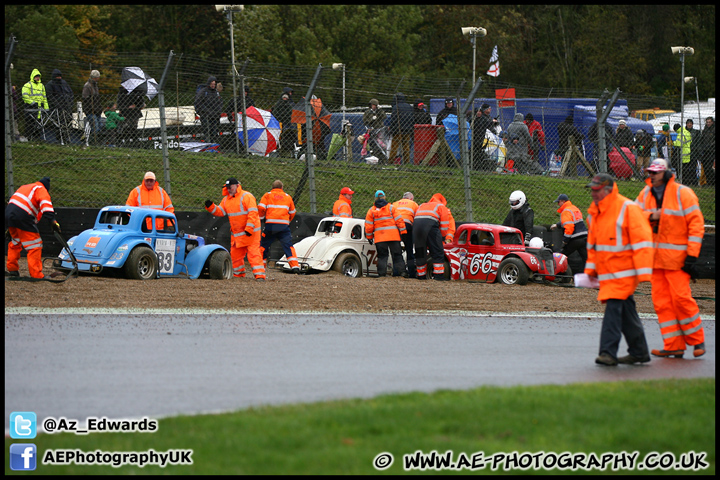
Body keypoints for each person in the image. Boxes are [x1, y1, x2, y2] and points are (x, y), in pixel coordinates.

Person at [634, 159, 706, 359]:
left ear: (666, 173)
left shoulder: (683, 193)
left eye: (656, 172)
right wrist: (651, 216)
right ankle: (673, 345)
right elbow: (633, 216)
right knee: (662, 303)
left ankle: (697, 341)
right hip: (656, 263)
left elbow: (696, 225)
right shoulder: (645, 194)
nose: (652, 176)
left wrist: (692, 256)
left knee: (682, 300)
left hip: (678, 261)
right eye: (650, 172)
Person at [584, 173, 653, 366]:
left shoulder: (627, 208)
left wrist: (644, 272)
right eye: (592, 190)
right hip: (610, 272)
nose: (593, 193)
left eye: (596, 190)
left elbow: (643, 240)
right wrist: (591, 271)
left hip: (625, 272)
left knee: (614, 309)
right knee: (626, 310)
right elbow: (593, 245)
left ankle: (607, 352)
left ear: (608, 190)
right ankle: (639, 352)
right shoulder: (595, 213)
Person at [205, 178, 266, 280]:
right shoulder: (226, 200)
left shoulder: (247, 196)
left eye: (230, 187)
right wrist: (211, 207)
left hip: (251, 233)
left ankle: (260, 275)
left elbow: (253, 213)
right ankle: (238, 274)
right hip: (238, 234)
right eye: (227, 188)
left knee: (254, 254)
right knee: (235, 255)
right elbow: (220, 211)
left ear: (237, 186)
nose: (229, 189)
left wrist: (249, 228)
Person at [5, 177, 60, 279]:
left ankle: (12, 270)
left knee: (15, 242)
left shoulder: (25, 187)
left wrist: (10, 225)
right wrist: (52, 221)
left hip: (9, 213)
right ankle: (36, 275)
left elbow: (15, 204)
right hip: (22, 214)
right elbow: (46, 204)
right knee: (35, 245)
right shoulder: (40, 188)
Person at [258, 180, 300, 273]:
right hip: (283, 226)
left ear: (272, 188)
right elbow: (293, 212)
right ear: (282, 188)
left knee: (264, 245)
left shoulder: (267, 195)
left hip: (270, 225)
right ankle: (295, 266)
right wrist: (287, 221)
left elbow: (261, 208)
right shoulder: (287, 197)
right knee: (288, 246)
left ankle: (261, 266)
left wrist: (261, 218)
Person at [365, 190, 407, 278]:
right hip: (393, 236)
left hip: (380, 238)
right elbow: (399, 220)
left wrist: (369, 237)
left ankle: (381, 274)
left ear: (375, 198)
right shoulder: (391, 208)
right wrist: (403, 232)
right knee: (397, 255)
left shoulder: (371, 210)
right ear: (384, 197)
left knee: (382, 256)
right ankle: (402, 273)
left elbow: (368, 226)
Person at [413, 193, 455, 281]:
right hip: (430, 226)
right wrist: (442, 238)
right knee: (438, 252)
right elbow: (444, 226)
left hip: (416, 227)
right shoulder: (441, 206)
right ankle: (438, 276)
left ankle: (421, 276)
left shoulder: (422, 205)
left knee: (420, 252)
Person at [550, 193, 588, 271]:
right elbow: (571, 221)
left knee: (561, 255)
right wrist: (557, 225)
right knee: (586, 259)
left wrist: (565, 241)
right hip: (584, 237)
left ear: (563, 201)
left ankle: (555, 273)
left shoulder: (565, 211)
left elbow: (569, 227)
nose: (558, 204)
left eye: (558, 202)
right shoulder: (574, 208)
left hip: (575, 238)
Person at [392, 191, 418, 278]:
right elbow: (417, 218)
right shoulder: (413, 204)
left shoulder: (395, 204)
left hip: (395, 227)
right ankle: (411, 273)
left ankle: (396, 272)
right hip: (407, 226)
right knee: (409, 249)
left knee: (396, 250)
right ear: (411, 198)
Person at [45, 68, 74, 141]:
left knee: (68, 122)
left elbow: (70, 93)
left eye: (60, 76)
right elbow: (50, 97)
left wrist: (70, 103)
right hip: (56, 108)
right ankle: (60, 138)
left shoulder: (64, 83)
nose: (59, 78)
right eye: (57, 76)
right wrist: (57, 105)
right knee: (59, 123)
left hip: (67, 107)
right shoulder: (50, 85)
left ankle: (66, 137)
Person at [194, 76, 223, 145]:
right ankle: (208, 145)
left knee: (214, 132)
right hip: (206, 116)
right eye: (212, 84)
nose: (213, 85)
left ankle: (213, 145)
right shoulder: (203, 92)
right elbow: (198, 103)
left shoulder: (216, 93)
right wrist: (206, 111)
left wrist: (218, 111)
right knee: (207, 132)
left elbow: (220, 103)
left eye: (214, 84)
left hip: (215, 116)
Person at [21, 68, 49, 141]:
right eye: (36, 76)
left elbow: (44, 97)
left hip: (39, 109)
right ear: (33, 76)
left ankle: (36, 139)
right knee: (29, 124)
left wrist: (46, 107)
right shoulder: (28, 85)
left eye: (38, 76)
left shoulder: (41, 86)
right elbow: (24, 96)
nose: (37, 78)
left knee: (38, 125)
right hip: (30, 108)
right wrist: (32, 102)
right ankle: (29, 138)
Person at [471, 103, 499, 171]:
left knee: (482, 154)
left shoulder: (486, 118)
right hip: (478, 139)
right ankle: (477, 167)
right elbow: (485, 127)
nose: (479, 113)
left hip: (484, 139)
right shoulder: (475, 120)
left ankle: (483, 167)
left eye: (480, 111)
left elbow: (489, 127)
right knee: (477, 154)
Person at [388, 92, 413, 164]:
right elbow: (412, 118)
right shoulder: (409, 107)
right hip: (407, 129)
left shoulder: (396, 107)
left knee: (394, 147)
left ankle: (390, 162)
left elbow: (394, 119)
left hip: (398, 130)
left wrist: (392, 129)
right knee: (406, 146)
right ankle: (406, 162)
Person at [272, 87, 295, 157]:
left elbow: (289, 113)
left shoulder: (290, 104)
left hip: (287, 122)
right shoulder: (279, 104)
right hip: (279, 122)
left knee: (288, 133)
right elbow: (276, 113)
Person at [82, 70, 103, 144]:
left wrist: (99, 108)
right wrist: (91, 108)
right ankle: (91, 143)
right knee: (95, 128)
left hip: (97, 110)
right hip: (90, 110)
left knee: (100, 127)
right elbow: (85, 99)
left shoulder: (95, 86)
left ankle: (96, 142)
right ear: (95, 77)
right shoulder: (87, 86)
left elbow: (97, 99)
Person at [694, 117, 715, 187]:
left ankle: (712, 182)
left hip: (712, 151)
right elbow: (701, 140)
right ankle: (709, 182)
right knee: (705, 167)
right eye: (707, 122)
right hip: (705, 151)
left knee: (710, 167)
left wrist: (710, 146)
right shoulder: (705, 130)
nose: (708, 123)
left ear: (712, 122)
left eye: (709, 122)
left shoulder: (714, 129)